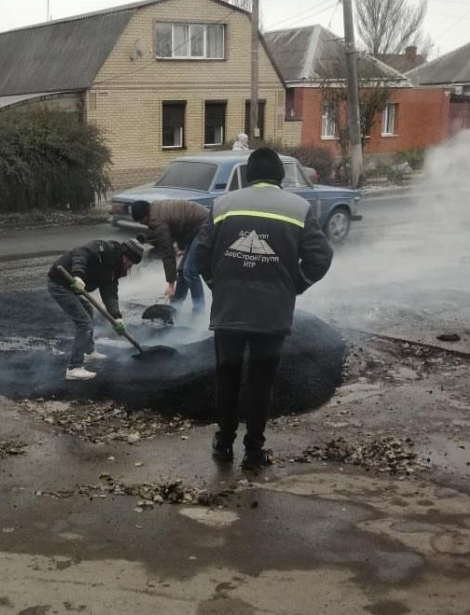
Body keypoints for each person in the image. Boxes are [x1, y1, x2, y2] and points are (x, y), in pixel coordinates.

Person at [196, 147, 333, 469]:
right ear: (281, 177)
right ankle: (254, 452)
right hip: (272, 315)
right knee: (261, 384)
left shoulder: (223, 204)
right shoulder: (299, 208)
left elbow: (200, 255)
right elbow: (321, 258)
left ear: (248, 175)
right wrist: (293, 285)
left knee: (227, 379)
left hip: (229, 312)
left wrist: (217, 283)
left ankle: (223, 445)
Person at [47, 239, 144, 381]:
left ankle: (89, 352)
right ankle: (74, 368)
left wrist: (117, 317)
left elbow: (110, 294)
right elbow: (79, 254)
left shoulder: (113, 271)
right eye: (130, 262)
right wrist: (78, 276)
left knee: (88, 311)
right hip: (59, 283)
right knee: (84, 323)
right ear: (124, 256)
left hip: (69, 287)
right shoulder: (103, 249)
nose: (129, 267)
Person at [130, 199, 208, 313]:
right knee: (182, 270)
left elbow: (167, 252)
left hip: (205, 226)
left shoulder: (157, 220)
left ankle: (199, 311)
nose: (143, 224)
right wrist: (181, 248)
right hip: (196, 229)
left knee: (189, 270)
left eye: (142, 221)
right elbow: (179, 225)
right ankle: (175, 306)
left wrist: (171, 285)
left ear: (145, 215)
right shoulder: (155, 209)